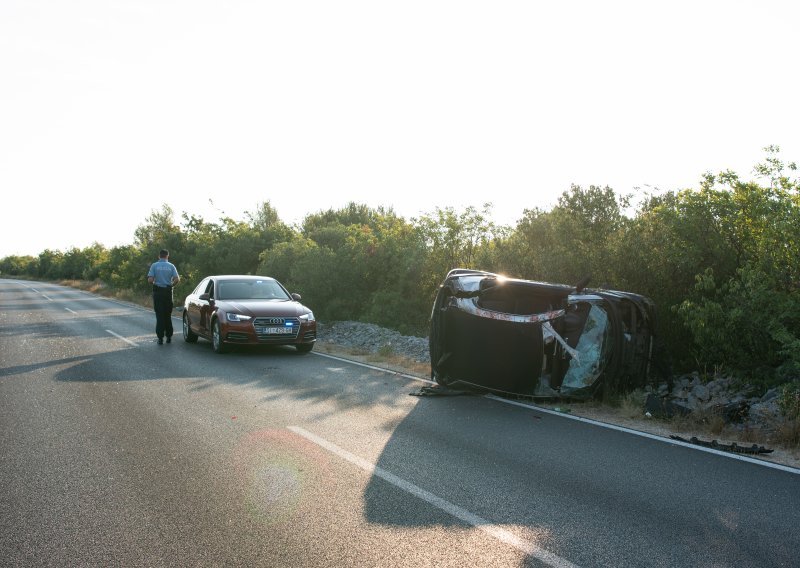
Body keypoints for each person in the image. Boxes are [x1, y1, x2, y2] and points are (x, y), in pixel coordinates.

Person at [147, 249, 180, 344]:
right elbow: (177, 279)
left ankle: (160, 338)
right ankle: (169, 336)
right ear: (167, 256)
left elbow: (150, 280)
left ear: (159, 256)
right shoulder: (171, 266)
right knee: (167, 315)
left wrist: (154, 283)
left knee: (159, 315)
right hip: (168, 292)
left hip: (158, 292)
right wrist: (171, 285)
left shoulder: (154, 265)